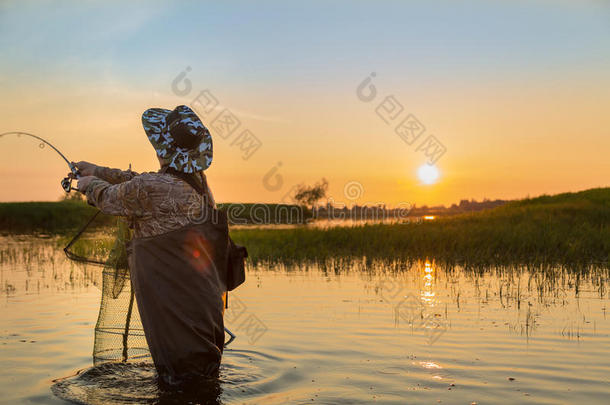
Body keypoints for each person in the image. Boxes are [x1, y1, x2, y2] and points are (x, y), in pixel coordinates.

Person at [73, 105, 233, 387]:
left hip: (178, 317)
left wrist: (88, 183)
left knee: (182, 383)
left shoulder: (153, 188)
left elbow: (111, 197)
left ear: (162, 149)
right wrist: (97, 170)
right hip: (202, 309)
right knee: (203, 382)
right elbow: (142, 182)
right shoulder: (197, 183)